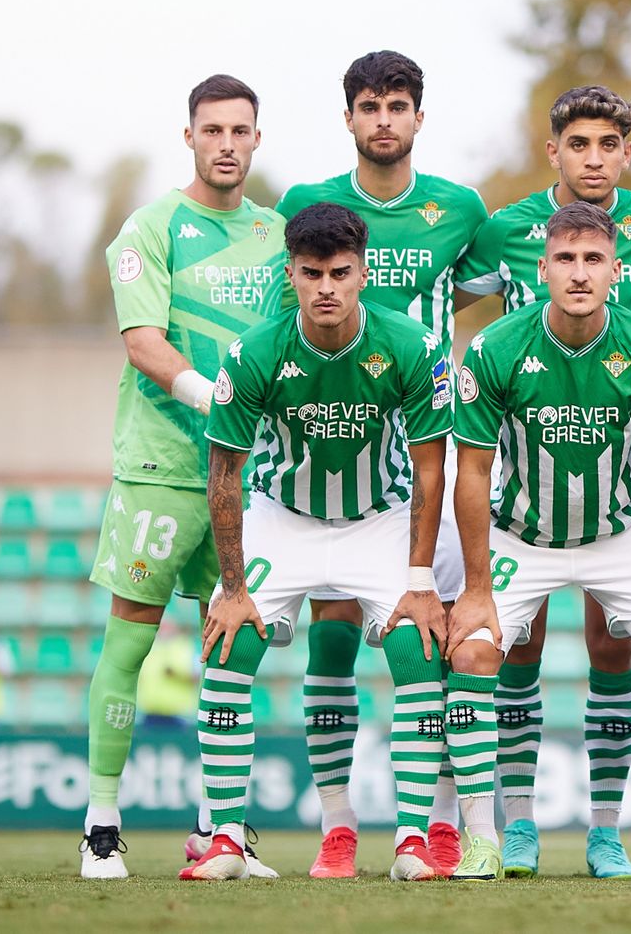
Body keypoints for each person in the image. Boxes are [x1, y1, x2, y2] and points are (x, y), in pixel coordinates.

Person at [179, 202, 455, 881]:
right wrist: (236, 588)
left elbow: (429, 467)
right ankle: (226, 838)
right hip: (285, 515)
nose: (326, 286)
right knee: (228, 641)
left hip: (379, 518)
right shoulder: (254, 354)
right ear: (292, 274)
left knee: (417, 645)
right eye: (311, 273)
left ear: (363, 272)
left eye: (340, 272)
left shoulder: (413, 345)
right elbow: (225, 475)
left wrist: (420, 579)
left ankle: (412, 839)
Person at [453, 85, 631, 877]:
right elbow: (444, 286)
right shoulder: (500, 230)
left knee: (615, 651)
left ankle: (608, 830)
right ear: (553, 148)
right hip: (524, 501)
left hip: (617, 502)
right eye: (577, 143)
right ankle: (509, 829)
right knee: (506, 652)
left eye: (607, 144)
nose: (593, 157)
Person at [274, 50, 488, 878]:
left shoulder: (460, 209)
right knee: (330, 640)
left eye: (399, 104)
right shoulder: (306, 207)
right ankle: (336, 825)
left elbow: (549, 241)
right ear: (350, 118)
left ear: (419, 118)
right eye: (370, 105)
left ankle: (433, 823)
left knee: (425, 635)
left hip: (426, 455)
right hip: (333, 452)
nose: (385, 119)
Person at [81, 74, 285, 880]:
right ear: (190, 137)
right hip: (163, 469)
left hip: (245, 477)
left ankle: (220, 831)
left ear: (257, 140)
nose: (227, 143)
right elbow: (143, 340)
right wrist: (211, 398)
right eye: (213, 130)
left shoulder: (277, 234)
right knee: (130, 638)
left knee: (230, 650)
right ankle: (101, 824)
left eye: (241, 130)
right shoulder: (151, 227)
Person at [137, 621, 199, 728]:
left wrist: (176, 674)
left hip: (179, 713)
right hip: (150, 712)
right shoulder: (149, 648)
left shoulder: (186, 646)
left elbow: (196, 676)